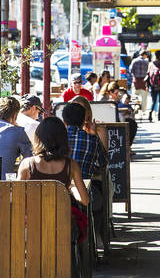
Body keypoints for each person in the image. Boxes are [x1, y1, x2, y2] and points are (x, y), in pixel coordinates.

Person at [62, 102, 108, 246]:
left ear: (64, 120)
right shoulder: (92, 139)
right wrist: (94, 134)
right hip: (83, 192)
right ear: (84, 120)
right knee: (98, 202)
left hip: (59, 191)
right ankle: (95, 237)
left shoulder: (57, 138)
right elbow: (103, 163)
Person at [18, 117, 89, 205]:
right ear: (63, 138)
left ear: (38, 137)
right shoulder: (71, 165)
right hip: (62, 217)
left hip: (32, 217)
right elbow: (85, 200)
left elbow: (17, 198)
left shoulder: (27, 164)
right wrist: (72, 189)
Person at [129, 50, 150, 115]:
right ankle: (143, 110)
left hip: (136, 81)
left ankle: (135, 108)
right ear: (145, 55)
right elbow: (148, 72)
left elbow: (131, 70)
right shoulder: (147, 61)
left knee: (135, 96)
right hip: (144, 81)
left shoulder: (134, 61)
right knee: (144, 97)